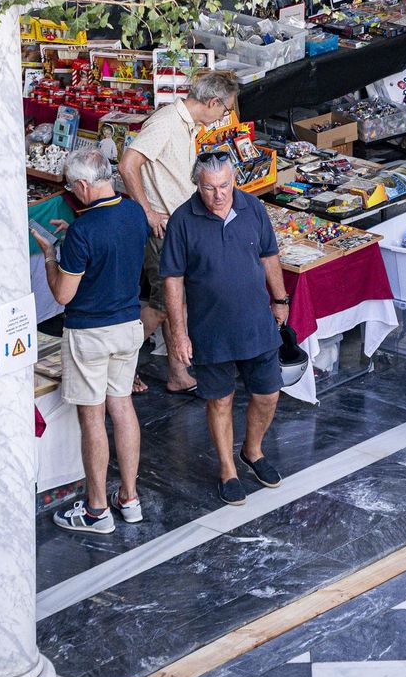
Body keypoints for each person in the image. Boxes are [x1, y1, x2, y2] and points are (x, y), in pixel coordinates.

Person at [161, 154, 291, 506]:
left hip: (255, 323)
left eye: (224, 186)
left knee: (268, 394)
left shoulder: (252, 207)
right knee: (220, 400)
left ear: (234, 180)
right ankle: (227, 470)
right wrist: (179, 333)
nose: (219, 195)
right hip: (210, 330)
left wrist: (280, 299)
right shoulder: (182, 221)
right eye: (209, 187)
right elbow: (172, 280)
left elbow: (269, 255)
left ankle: (253, 451)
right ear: (196, 185)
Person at [40, 147, 150, 534]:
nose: (73, 194)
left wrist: (53, 255)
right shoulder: (135, 211)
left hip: (89, 333)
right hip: (129, 326)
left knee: (92, 419)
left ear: (85, 184)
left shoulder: (84, 230)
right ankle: (131, 498)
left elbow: (63, 295)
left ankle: (96, 509)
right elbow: (114, 244)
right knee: (122, 408)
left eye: (72, 188)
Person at [120, 69, 240, 392]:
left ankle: (177, 372)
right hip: (162, 231)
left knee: (176, 303)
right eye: (225, 110)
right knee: (161, 307)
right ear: (212, 102)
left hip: (177, 228)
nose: (223, 117)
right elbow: (128, 163)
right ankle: (119, 368)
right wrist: (147, 211)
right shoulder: (166, 123)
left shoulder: (185, 125)